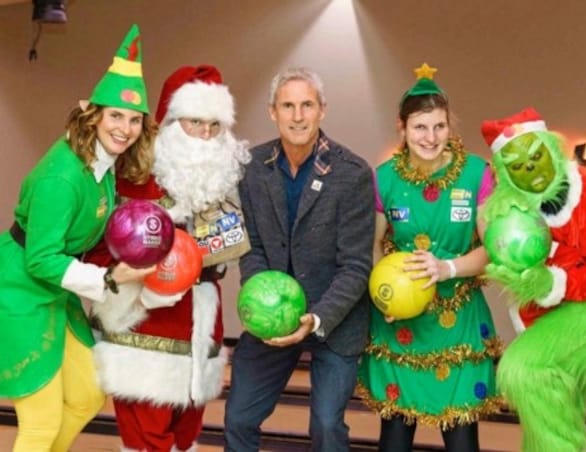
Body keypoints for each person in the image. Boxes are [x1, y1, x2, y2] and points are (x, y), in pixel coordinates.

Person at [0, 24, 157, 452]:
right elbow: (40, 259)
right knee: (41, 420)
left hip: (55, 290)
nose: (124, 128)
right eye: (115, 115)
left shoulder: (104, 165)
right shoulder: (62, 177)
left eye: (133, 119)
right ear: (95, 114)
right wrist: (107, 280)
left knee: (87, 394)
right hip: (20, 290)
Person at [83, 65, 251, 452]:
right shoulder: (129, 176)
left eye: (214, 126)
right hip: (143, 327)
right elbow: (93, 250)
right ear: (171, 123)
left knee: (186, 433)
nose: (206, 136)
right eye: (195, 123)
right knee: (147, 438)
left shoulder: (226, 180)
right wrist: (135, 282)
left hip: (201, 327)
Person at [223, 67, 374, 452]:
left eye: (307, 105)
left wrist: (316, 319)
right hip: (273, 316)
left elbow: (356, 265)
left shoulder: (353, 173)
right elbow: (252, 247)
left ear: (322, 110)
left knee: (325, 426)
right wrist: (261, 302)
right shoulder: (253, 168)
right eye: (287, 106)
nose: (297, 115)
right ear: (272, 112)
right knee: (238, 418)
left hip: (335, 320)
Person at [357, 64, 502, 452]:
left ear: (450, 126)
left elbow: (492, 250)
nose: (430, 137)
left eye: (439, 126)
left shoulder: (476, 174)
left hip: (459, 323)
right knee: (395, 439)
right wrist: (381, 294)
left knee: (461, 442)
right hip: (400, 322)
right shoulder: (383, 178)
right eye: (420, 127)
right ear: (402, 128)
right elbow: (372, 244)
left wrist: (446, 268)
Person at [480, 107, 586, 452]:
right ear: (505, 174)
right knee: (549, 409)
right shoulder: (511, 208)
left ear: (551, 147)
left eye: (536, 157)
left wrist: (546, 283)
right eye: (518, 167)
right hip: (552, 317)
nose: (532, 170)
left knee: (523, 369)